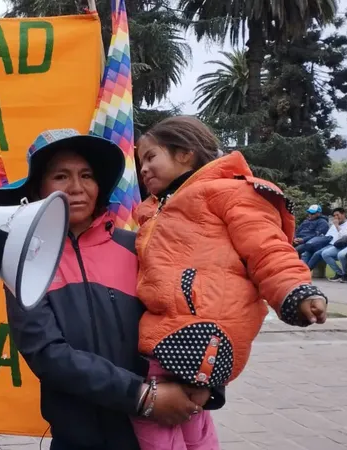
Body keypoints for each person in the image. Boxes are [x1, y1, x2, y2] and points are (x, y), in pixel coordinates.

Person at [0, 129, 223, 450]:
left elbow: (198, 317)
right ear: (37, 188)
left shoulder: (142, 246)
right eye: (61, 176)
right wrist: (141, 396)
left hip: (158, 435)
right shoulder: (24, 261)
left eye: (87, 175)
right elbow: (46, 354)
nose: (76, 188)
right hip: (78, 439)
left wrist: (207, 384)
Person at [133, 116, 328, 450]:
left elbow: (267, 248)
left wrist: (295, 291)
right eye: (141, 163)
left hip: (196, 331)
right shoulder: (157, 209)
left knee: (151, 414)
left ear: (185, 154)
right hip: (174, 330)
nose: (144, 169)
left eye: (151, 157)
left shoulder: (228, 191)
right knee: (192, 416)